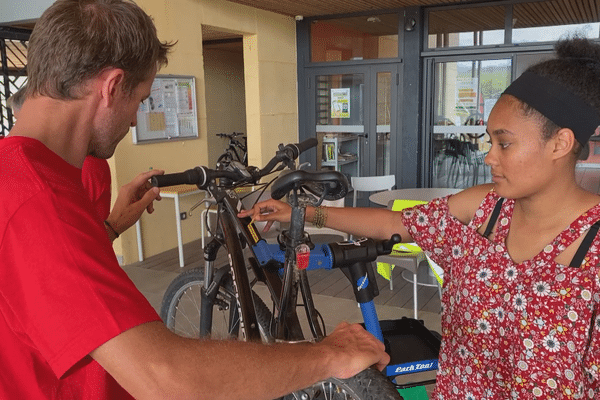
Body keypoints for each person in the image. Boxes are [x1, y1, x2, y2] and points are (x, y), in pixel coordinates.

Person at [0, 1, 389, 399]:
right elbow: (167, 378)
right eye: (140, 99)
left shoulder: (29, 176)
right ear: (112, 86)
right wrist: (327, 355)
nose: (135, 119)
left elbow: (44, 292)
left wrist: (111, 227)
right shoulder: (37, 200)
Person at [242, 37, 600, 399]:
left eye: (504, 143)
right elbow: (394, 224)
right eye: (489, 142)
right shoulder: (485, 210)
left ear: (560, 143)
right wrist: (300, 213)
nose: (489, 158)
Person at [6, 85, 159, 240]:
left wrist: (115, 224)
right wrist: (114, 226)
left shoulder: (87, 165)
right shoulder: (25, 176)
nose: (133, 122)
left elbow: (87, 240)